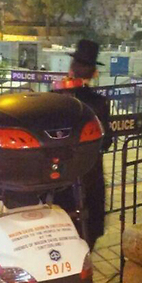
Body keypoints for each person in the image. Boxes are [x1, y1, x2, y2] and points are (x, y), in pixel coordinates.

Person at [54, 39, 110, 250]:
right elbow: (107, 141)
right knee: (89, 228)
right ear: (93, 72)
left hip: (61, 171)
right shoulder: (99, 102)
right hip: (90, 173)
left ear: (72, 68)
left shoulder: (56, 97)